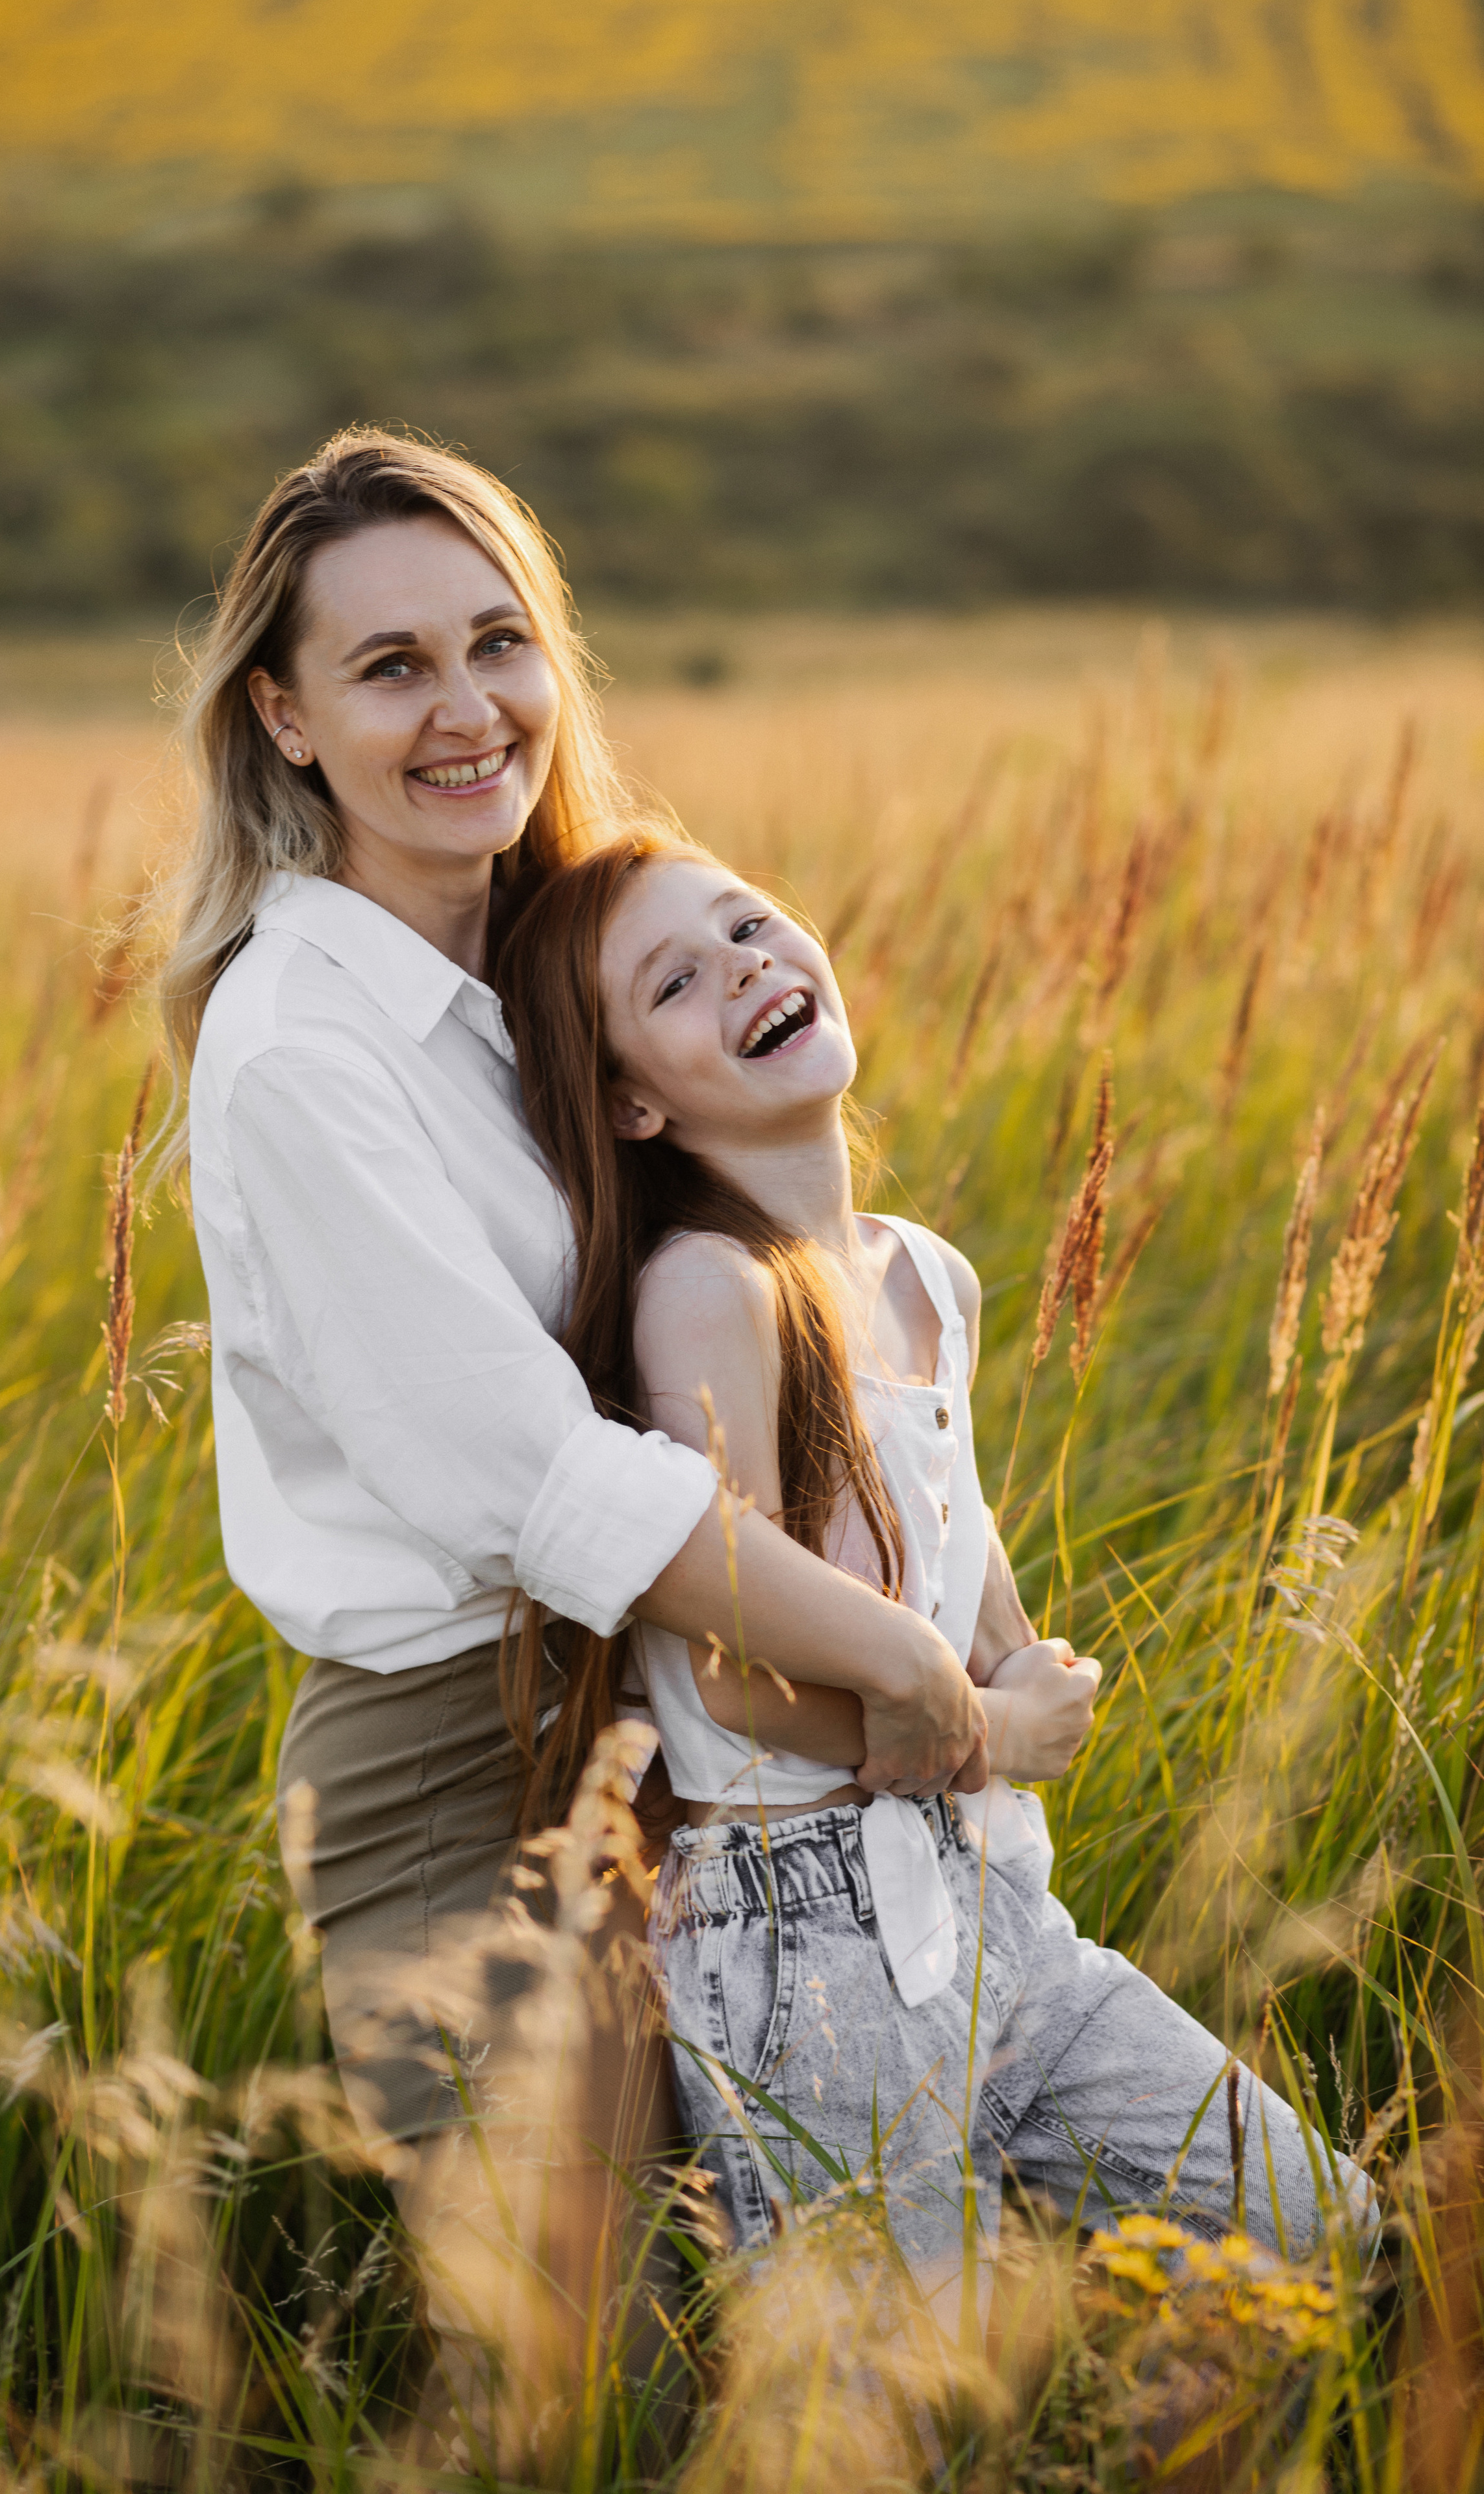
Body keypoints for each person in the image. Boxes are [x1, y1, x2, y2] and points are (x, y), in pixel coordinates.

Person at [162, 429, 994, 2231]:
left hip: (697, 1716)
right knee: (568, 2355)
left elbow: (760, 1257)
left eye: (498, 641)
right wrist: (907, 1669)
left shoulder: (560, 957)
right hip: (466, 1752)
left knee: (826, 2286)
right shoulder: (306, 1045)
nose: (468, 708)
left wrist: (957, 1618)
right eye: (390, 667)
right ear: (285, 718)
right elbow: (534, 1480)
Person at [496, 827, 1378, 2301]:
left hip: (990, 1911)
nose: (746, 968)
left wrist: (1023, 1667)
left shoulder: (922, 1272)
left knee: (1324, 2250)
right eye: (676, 980)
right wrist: (988, 1737)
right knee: (894, 2408)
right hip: (799, 1944)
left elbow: (954, 1542)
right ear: (632, 1101)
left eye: (751, 924)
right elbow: (734, 1671)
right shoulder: (705, 1292)